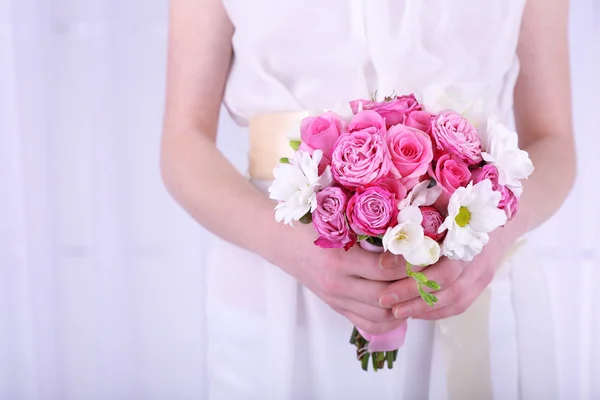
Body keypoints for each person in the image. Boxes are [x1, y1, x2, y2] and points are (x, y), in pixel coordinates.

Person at [160, 0, 576, 398]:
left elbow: (553, 141)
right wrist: (286, 245)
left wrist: (497, 234)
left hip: (465, 275)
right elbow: (184, 140)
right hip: (276, 275)